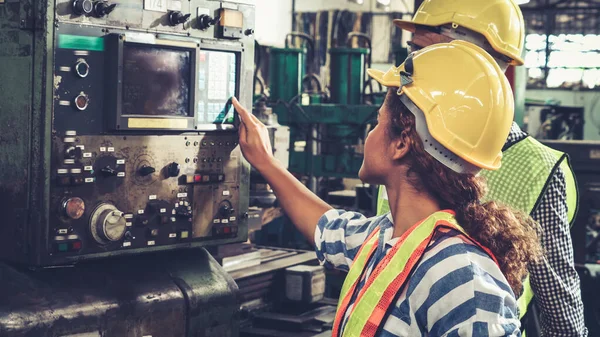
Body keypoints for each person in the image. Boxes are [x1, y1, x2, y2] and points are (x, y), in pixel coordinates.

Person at [233, 40, 542, 336]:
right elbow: (325, 226)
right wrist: (265, 162)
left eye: (377, 122)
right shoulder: (388, 239)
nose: (368, 134)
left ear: (401, 143)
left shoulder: (463, 279)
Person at [375, 1, 586, 335]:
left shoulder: (538, 169)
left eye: (422, 50)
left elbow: (559, 310)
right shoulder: (407, 136)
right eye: (411, 51)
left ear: (474, 63)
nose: (409, 66)